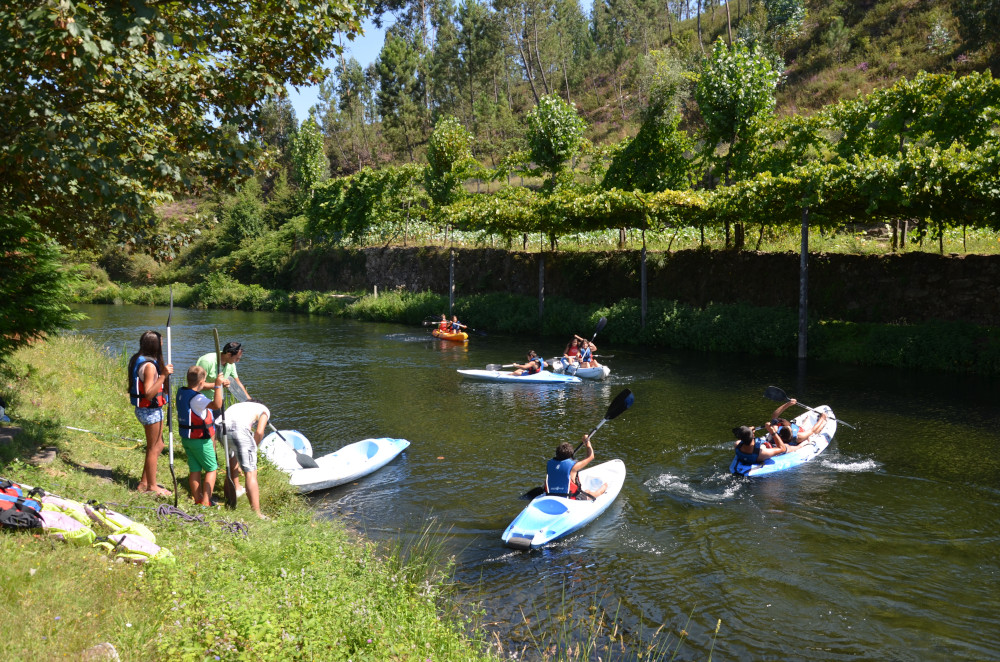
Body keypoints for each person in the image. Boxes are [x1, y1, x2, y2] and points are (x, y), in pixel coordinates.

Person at [127, 330, 174, 496]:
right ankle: (152, 487)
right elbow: (148, 393)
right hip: (149, 411)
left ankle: (144, 483)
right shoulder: (149, 366)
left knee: (158, 445)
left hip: (147, 410)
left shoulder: (139, 358)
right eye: (161, 341)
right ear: (155, 344)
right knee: (155, 448)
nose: (163, 343)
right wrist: (163, 376)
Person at [176, 366, 224, 506]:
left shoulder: (182, 391)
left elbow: (197, 386)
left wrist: (216, 383)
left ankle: (197, 498)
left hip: (187, 439)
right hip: (200, 441)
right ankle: (205, 502)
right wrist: (218, 386)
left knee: (195, 469)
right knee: (211, 469)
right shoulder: (198, 399)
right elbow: (217, 405)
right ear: (202, 382)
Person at [218, 400, 270, 518]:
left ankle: (229, 502)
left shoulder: (237, 406)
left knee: (230, 466)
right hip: (238, 430)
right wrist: (254, 448)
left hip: (220, 428)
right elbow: (259, 431)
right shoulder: (264, 410)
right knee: (251, 473)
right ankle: (257, 514)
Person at [545, 434, 607, 500]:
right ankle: (604, 487)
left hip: (551, 496)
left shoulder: (549, 464)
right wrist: (587, 443)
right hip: (570, 498)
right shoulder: (573, 466)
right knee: (591, 493)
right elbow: (591, 456)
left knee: (586, 491)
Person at [731, 422, 795, 476]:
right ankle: (801, 445)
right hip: (764, 453)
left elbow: (744, 435)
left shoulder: (737, 444)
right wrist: (772, 431)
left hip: (749, 455)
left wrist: (749, 430)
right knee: (787, 446)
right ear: (753, 435)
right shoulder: (762, 453)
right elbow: (782, 448)